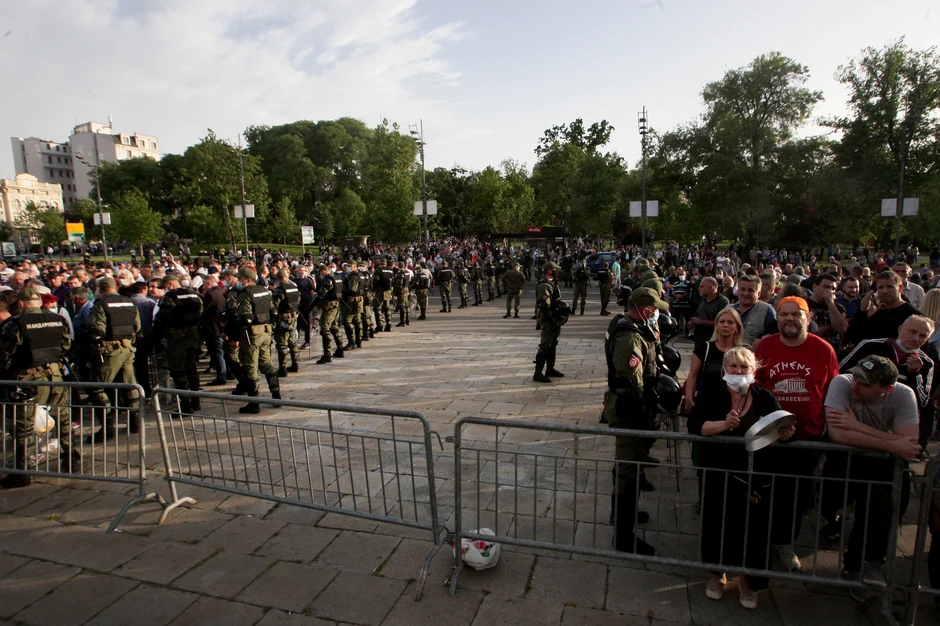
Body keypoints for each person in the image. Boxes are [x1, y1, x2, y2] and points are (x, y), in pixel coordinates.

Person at [688, 346, 793, 610]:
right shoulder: (713, 393)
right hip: (720, 473)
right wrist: (724, 424)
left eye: (744, 367)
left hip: (755, 476)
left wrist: (786, 432)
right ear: (725, 368)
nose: (738, 371)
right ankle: (718, 573)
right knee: (718, 523)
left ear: (753, 370)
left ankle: (749, 580)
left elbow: (779, 425)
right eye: (733, 366)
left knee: (755, 529)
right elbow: (696, 425)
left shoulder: (764, 397)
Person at [754, 296, 840, 571]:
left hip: (806, 439)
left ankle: (784, 543)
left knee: (795, 496)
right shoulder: (765, 346)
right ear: (777, 318)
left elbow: (832, 391)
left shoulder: (823, 349)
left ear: (808, 317)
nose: (789, 319)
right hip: (769, 437)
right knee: (762, 492)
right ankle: (757, 541)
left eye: (796, 314)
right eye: (784, 314)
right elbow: (754, 389)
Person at [825, 356, 920, 599]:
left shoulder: (903, 394)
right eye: (856, 377)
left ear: (886, 389)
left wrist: (857, 426)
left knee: (892, 504)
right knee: (870, 500)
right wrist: (893, 443)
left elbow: (910, 443)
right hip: (849, 459)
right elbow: (839, 435)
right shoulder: (842, 383)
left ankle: (871, 563)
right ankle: (856, 563)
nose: (855, 386)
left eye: (865, 384)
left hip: (886, 462)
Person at [601, 287, 671, 556]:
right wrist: (644, 413)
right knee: (627, 471)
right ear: (643, 309)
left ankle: (622, 516)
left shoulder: (634, 327)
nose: (656, 313)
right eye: (653, 309)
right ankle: (622, 535)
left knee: (628, 465)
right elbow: (630, 384)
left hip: (634, 410)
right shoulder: (629, 337)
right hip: (630, 412)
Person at [0, 290, 75, 488]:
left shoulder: (16, 323)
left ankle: (24, 471)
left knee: (24, 424)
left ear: (22, 304)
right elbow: (66, 345)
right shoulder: (57, 319)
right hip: (55, 374)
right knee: (63, 416)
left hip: (29, 377)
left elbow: (5, 351)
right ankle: (71, 457)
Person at [85, 277, 143, 442]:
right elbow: (138, 327)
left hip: (110, 349)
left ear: (101, 289)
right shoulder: (129, 302)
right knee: (129, 383)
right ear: (115, 288)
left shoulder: (101, 304)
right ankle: (135, 421)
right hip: (128, 348)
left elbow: (98, 330)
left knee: (97, 387)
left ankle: (107, 427)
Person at [152, 275, 204, 413]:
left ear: (170, 283)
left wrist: (154, 338)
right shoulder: (194, 295)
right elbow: (200, 312)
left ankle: (185, 404)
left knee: (178, 372)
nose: (165, 289)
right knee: (192, 370)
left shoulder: (170, 297)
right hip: (193, 336)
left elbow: (162, 319)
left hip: (176, 338)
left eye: (165, 286)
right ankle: (196, 401)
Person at [233, 268, 280, 413]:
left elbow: (245, 316)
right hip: (266, 331)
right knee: (266, 363)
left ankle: (254, 403)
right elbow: (274, 311)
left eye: (240, 278)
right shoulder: (264, 291)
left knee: (250, 367)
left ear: (247, 279)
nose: (239, 281)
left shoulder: (245, 294)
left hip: (252, 334)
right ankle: (276, 394)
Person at [684, 307, 743, 413]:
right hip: (706, 404)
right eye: (722, 322)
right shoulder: (704, 349)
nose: (725, 325)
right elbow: (692, 375)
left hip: (733, 406)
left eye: (730, 322)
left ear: (737, 327)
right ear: (717, 325)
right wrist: (689, 397)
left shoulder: (742, 352)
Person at [847, 270, 920, 347]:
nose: (885, 291)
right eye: (881, 287)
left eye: (889, 287)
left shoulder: (913, 316)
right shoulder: (878, 314)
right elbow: (855, 337)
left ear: (900, 288)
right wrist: (862, 311)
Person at [533, 262, 565, 383]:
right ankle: (538, 373)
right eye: (555, 270)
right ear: (549, 271)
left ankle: (550, 369)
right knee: (545, 345)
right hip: (547, 320)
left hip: (554, 318)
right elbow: (544, 306)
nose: (558, 272)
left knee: (553, 344)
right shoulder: (544, 286)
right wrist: (551, 319)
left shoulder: (552, 283)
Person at [806, 273, 848, 352]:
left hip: (832, 351)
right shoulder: (804, 305)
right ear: (814, 286)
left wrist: (830, 303)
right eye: (826, 287)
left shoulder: (838, 307)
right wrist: (831, 327)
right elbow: (808, 333)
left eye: (833, 289)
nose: (829, 291)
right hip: (811, 349)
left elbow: (842, 328)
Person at [271, 269, 302, 374]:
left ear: (277, 278)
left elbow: (275, 305)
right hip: (293, 316)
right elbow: (298, 301)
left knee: (282, 344)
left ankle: (282, 368)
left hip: (283, 317)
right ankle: (295, 365)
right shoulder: (294, 288)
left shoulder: (280, 289)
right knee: (293, 342)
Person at [733, 275, 775, 348]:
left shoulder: (767, 311)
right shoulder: (728, 309)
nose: (746, 293)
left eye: (750, 290)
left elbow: (774, 338)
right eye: (742, 289)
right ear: (737, 291)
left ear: (759, 294)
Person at [200, 275, 226, 386]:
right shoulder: (220, 291)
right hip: (218, 326)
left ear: (208, 284)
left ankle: (221, 376)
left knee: (218, 352)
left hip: (214, 328)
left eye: (204, 285)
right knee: (220, 352)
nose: (204, 287)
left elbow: (203, 310)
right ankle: (225, 373)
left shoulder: (211, 295)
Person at [315, 265, 345, 364]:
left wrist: (313, 304)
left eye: (321, 273)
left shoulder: (328, 279)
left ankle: (327, 354)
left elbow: (321, 293)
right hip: (336, 305)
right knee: (334, 328)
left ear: (324, 271)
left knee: (324, 329)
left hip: (329, 306)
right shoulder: (337, 277)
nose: (321, 275)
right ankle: (340, 349)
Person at [689, 278, 730, 349]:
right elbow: (698, 315)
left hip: (713, 339)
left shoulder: (722, 301)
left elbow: (723, 323)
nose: (699, 289)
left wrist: (702, 322)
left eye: (702, 286)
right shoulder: (703, 300)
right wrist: (692, 322)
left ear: (710, 288)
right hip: (699, 339)